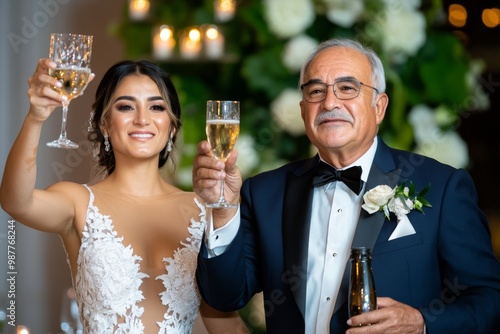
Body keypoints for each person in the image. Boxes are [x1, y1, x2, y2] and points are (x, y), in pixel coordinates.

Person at [192, 38, 500, 333]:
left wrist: (422, 323)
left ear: (378, 106)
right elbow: (224, 296)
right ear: (303, 110)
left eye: (347, 88)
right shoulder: (264, 193)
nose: (329, 102)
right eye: (315, 91)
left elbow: (488, 299)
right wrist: (223, 209)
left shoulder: (442, 186)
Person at [0, 58, 249, 333]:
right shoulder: (78, 202)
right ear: (105, 124)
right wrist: (36, 117)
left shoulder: (202, 210)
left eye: (156, 107)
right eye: (126, 107)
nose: (142, 119)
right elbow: (15, 202)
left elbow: (224, 319)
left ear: (172, 127)